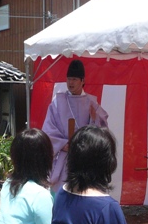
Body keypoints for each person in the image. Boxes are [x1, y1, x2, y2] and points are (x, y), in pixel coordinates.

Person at [42, 60, 109, 192]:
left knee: (83, 189)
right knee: (62, 190)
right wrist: (62, 144)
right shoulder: (58, 102)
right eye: (68, 79)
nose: (70, 82)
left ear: (82, 81)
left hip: (84, 156)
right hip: (63, 155)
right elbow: (48, 128)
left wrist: (94, 119)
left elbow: (102, 130)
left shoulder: (91, 102)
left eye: (74, 79)